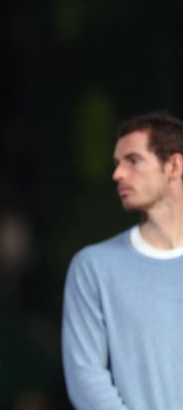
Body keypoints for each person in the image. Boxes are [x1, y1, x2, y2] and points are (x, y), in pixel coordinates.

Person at [62, 112, 183, 409]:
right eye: (117, 164)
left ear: (173, 166)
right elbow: (86, 377)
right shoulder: (93, 267)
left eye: (133, 160)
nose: (117, 174)